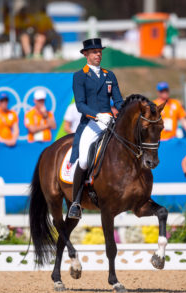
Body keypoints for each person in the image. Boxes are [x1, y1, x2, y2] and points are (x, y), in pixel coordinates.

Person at [68, 38, 124, 219]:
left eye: (99, 51)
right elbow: (81, 105)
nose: (98, 54)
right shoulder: (80, 76)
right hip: (91, 122)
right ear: (86, 54)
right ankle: (76, 202)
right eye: (94, 52)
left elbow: (118, 100)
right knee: (84, 160)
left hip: (110, 121)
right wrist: (98, 115)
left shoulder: (109, 75)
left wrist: (126, 111)